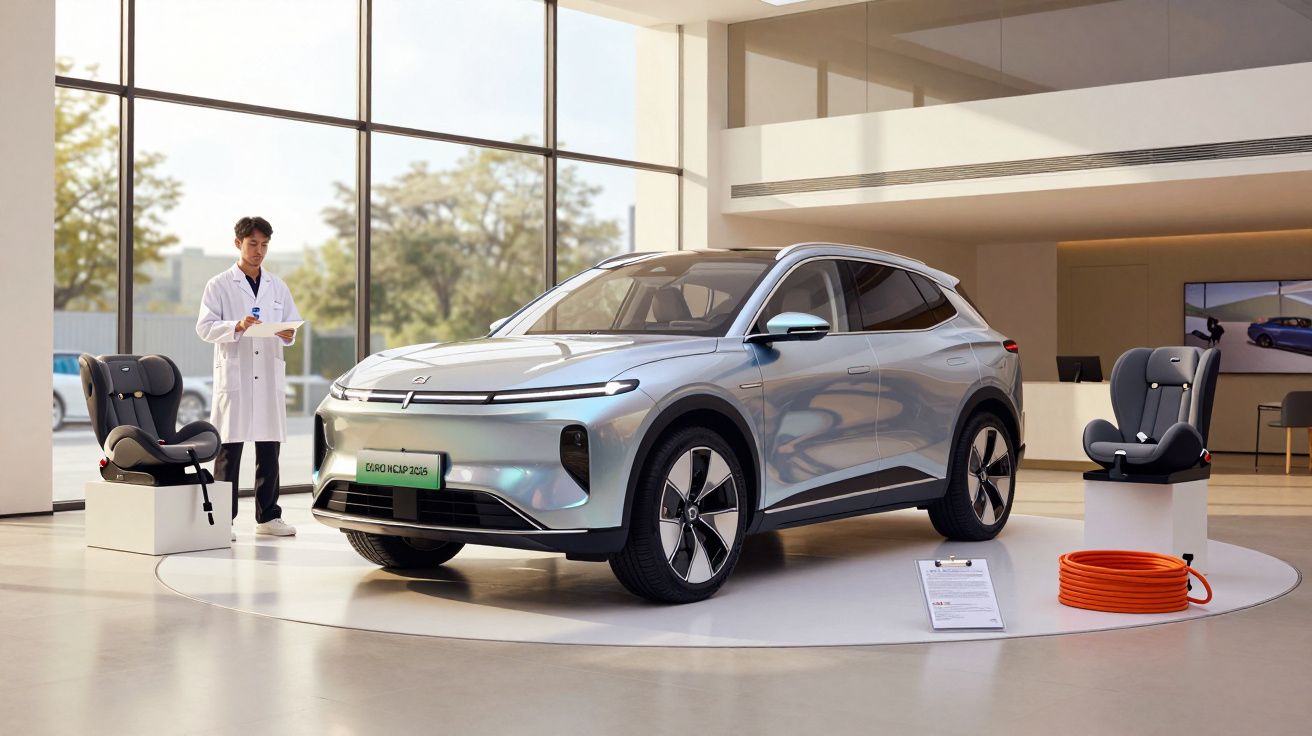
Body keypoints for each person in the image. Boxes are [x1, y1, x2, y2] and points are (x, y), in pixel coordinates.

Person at [195, 216, 302, 539]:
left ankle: (268, 516)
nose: (259, 251)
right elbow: (204, 327)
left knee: (269, 448)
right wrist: (236, 327)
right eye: (253, 244)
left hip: (267, 374)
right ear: (238, 243)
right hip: (237, 376)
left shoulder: (276, 285)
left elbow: (292, 323)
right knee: (230, 449)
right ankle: (222, 521)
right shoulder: (219, 284)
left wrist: (287, 333)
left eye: (264, 245)